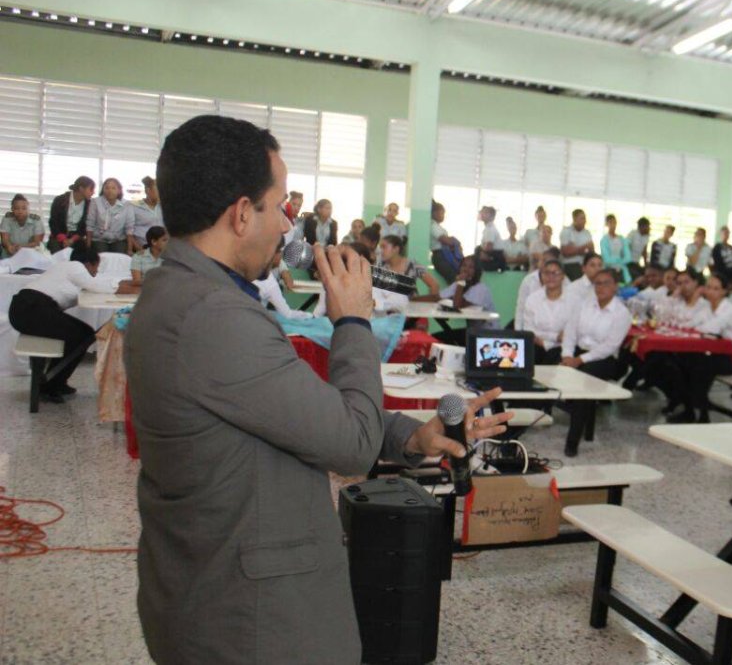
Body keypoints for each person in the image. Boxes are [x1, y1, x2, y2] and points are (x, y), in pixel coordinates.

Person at [126, 115, 512, 664]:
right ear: (240, 213)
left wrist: (416, 438)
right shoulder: (214, 316)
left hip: (212, 590)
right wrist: (353, 322)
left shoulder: (182, 292)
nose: (289, 226)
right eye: (281, 205)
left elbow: (300, 411)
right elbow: (351, 443)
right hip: (251, 620)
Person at [8, 242, 117, 402]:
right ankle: (50, 385)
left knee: (85, 333)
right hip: (31, 308)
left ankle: (56, 381)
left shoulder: (65, 269)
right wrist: (123, 286)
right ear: (88, 263)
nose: (96, 272)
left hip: (28, 308)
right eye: (96, 267)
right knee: (81, 335)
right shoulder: (75, 267)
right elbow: (97, 286)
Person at [560, 267, 631, 456]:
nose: (601, 287)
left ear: (615, 286)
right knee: (548, 362)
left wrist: (578, 360)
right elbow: (570, 331)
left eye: (606, 283)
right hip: (577, 353)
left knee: (584, 382)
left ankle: (572, 441)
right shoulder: (584, 304)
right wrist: (567, 355)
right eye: (597, 283)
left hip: (604, 359)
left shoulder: (621, 313)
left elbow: (609, 346)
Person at [667, 275, 732, 423]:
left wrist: (699, 327)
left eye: (716, 288)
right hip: (710, 353)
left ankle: (701, 411)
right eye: (708, 287)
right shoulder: (706, 307)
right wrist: (695, 301)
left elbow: (711, 328)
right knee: (681, 361)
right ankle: (691, 409)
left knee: (699, 365)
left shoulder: (729, 309)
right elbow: (687, 323)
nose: (710, 292)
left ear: (724, 292)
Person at [438, 255, 500, 343]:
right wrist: (415, 299)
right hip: (473, 332)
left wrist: (460, 282)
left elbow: (457, 305)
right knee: (438, 338)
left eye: (471, 267)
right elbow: (437, 297)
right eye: (464, 266)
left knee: (442, 340)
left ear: (477, 271)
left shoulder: (480, 288)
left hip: (487, 336)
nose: (466, 270)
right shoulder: (459, 284)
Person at [522, 259, 571, 364]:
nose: (551, 277)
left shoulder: (573, 300)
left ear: (563, 276)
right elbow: (529, 330)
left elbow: (570, 332)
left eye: (555, 273)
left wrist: (554, 338)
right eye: (547, 273)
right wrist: (555, 337)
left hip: (562, 348)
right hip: (537, 345)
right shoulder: (532, 299)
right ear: (541, 276)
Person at [49, 176, 94, 253]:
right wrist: (63, 239)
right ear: (81, 188)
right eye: (91, 189)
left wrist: (72, 240)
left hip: (76, 238)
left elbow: (85, 227)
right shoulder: (60, 200)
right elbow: (53, 222)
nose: (93, 192)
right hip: (59, 235)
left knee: (82, 252)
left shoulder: (89, 204)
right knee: (56, 250)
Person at [87, 177, 132, 254]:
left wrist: (130, 249)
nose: (110, 190)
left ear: (119, 190)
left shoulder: (126, 204)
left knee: (118, 259)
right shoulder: (95, 202)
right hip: (99, 239)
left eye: (113, 188)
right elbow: (90, 225)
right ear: (103, 190)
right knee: (102, 258)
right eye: (107, 188)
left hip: (118, 239)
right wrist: (88, 247)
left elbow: (129, 228)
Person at [429, 200, 463, 284]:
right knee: (454, 278)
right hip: (440, 257)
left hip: (445, 255)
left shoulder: (437, 226)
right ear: (435, 213)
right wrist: (455, 241)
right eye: (442, 213)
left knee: (457, 276)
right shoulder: (433, 225)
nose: (443, 216)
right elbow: (445, 241)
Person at [128, 176, 164, 252]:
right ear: (148, 190)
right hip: (143, 246)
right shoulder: (135, 207)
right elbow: (129, 232)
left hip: (162, 248)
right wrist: (139, 249)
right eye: (158, 190)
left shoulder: (163, 207)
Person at [559, 208, 593, 280]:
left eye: (585, 218)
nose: (585, 221)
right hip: (570, 265)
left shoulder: (587, 233)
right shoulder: (566, 231)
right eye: (582, 218)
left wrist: (575, 249)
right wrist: (584, 248)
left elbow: (591, 250)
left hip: (584, 264)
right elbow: (565, 252)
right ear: (574, 219)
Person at [599, 214, 629, 281]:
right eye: (610, 222)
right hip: (609, 269)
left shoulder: (622, 239)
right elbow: (606, 259)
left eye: (614, 222)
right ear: (606, 224)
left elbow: (628, 257)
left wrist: (619, 262)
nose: (613, 225)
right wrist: (619, 259)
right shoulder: (604, 240)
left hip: (622, 269)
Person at [625, 216, 651, 281]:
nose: (649, 228)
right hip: (628, 262)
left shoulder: (646, 236)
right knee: (636, 277)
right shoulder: (632, 234)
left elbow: (644, 251)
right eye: (647, 226)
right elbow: (626, 247)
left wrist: (646, 265)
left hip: (636, 262)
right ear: (641, 227)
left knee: (644, 275)